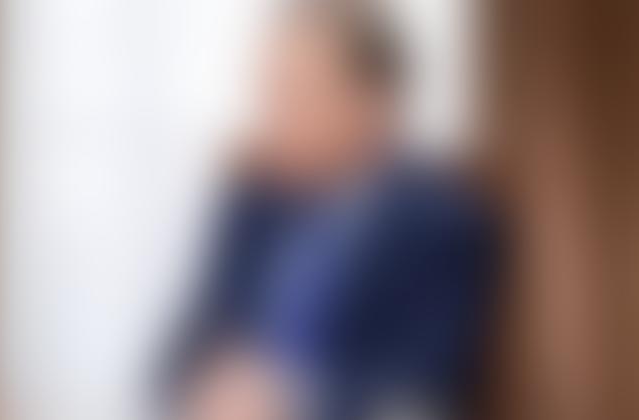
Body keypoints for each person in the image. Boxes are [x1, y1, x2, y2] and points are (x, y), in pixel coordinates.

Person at [168, 2, 498, 419]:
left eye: (298, 93)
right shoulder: (252, 204)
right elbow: (177, 354)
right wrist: (210, 385)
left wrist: (291, 399)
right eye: (271, 93)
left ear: (374, 102)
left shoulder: (438, 222)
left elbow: (423, 381)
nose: (275, 115)